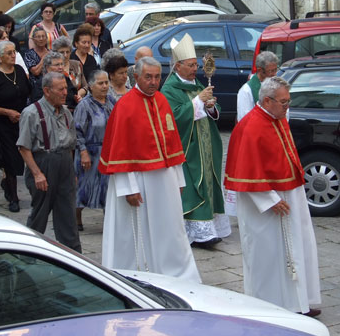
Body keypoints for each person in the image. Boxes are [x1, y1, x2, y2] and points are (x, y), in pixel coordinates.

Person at [225, 76, 322, 316]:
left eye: (288, 102)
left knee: (299, 247)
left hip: (290, 196)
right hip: (267, 205)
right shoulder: (251, 126)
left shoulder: (277, 118)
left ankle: (300, 301)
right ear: (267, 101)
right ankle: (273, 306)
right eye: (284, 102)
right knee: (269, 256)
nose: (287, 107)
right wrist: (269, 199)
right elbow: (246, 169)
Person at [99, 56, 200, 282]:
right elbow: (120, 151)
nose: (154, 82)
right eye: (148, 77)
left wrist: (179, 180)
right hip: (138, 182)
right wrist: (128, 188)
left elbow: (172, 141)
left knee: (169, 230)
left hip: (165, 181)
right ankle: (138, 274)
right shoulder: (124, 106)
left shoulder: (162, 101)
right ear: (136, 77)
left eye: (157, 77)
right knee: (138, 232)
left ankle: (174, 274)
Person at [161, 34, 229, 247]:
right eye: (190, 65)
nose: (195, 69)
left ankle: (209, 228)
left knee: (209, 184)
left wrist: (210, 107)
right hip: (187, 148)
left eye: (196, 65)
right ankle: (197, 233)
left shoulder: (196, 83)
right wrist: (199, 101)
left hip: (205, 146)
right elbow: (173, 117)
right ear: (178, 66)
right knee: (192, 187)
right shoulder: (169, 89)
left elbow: (213, 111)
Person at [18, 71, 81, 251]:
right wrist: (37, 174)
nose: (64, 93)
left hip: (64, 164)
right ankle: (28, 252)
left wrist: (71, 172)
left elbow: (70, 145)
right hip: (43, 163)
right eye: (60, 89)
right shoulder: (31, 113)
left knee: (67, 214)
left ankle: (74, 256)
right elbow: (24, 147)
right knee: (40, 213)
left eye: (65, 89)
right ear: (46, 91)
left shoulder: (67, 114)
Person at [0, 41, 32, 212]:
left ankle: (14, 187)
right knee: (10, 161)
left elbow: (29, 92)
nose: (13, 55)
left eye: (14, 52)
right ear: (0, 57)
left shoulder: (18, 71)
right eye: (9, 53)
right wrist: (7, 112)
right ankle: (13, 198)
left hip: (22, 121)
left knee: (25, 157)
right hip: (3, 124)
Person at [74, 70, 116, 230]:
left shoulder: (111, 101)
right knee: (84, 187)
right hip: (89, 152)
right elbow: (77, 131)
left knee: (108, 188)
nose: (105, 86)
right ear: (91, 86)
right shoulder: (84, 105)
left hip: (107, 153)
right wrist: (83, 152)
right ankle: (76, 218)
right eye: (100, 83)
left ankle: (109, 221)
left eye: (106, 82)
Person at [236, 50, 279, 122]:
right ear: (259, 70)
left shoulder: (277, 85)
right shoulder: (246, 90)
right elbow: (244, 119)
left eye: (276, 70)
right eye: (271, 71)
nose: (274, 74)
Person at [53, 35, 86, 102]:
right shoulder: (54, 68)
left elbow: (85, 86)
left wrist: (78, 95)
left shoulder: (77, 64)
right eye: (62, 52)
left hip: (80, 102)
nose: (65, 55)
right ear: (56, 53)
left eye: (67, 52)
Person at [24, 26, 50, 93]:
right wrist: (45, 57)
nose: (41, 39)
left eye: (43, 36)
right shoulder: (29, 54)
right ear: (33, 39)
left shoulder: (52, 53)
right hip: (36, 88)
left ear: (46, 38)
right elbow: (36, 72)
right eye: (38, 37)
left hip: (50, 86)